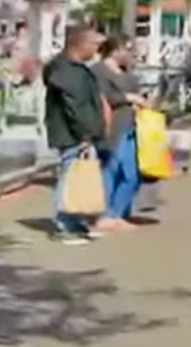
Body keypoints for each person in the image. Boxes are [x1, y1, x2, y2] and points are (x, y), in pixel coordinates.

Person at [43, 24, 108, 244]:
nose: (96, 49)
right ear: (81, 44)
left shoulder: (72, 69)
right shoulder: (66, 71)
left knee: (78, 177)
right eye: (94, 44)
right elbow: (75, 105)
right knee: (69, 176)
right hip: (71, 133)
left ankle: (75, 220)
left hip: (75, 132)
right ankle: (64, 225)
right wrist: (84, 135)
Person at [94, 38, 149, 231]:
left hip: (131, 125)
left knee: (132, 174)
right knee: (111, 170)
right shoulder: (99, 71)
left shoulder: (126, 72)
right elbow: (102, 97)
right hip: (112, 126)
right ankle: (106, 215)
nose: (131, 54)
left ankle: (116, 212)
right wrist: (128, 98)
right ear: (115, 50)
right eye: (128, 49)